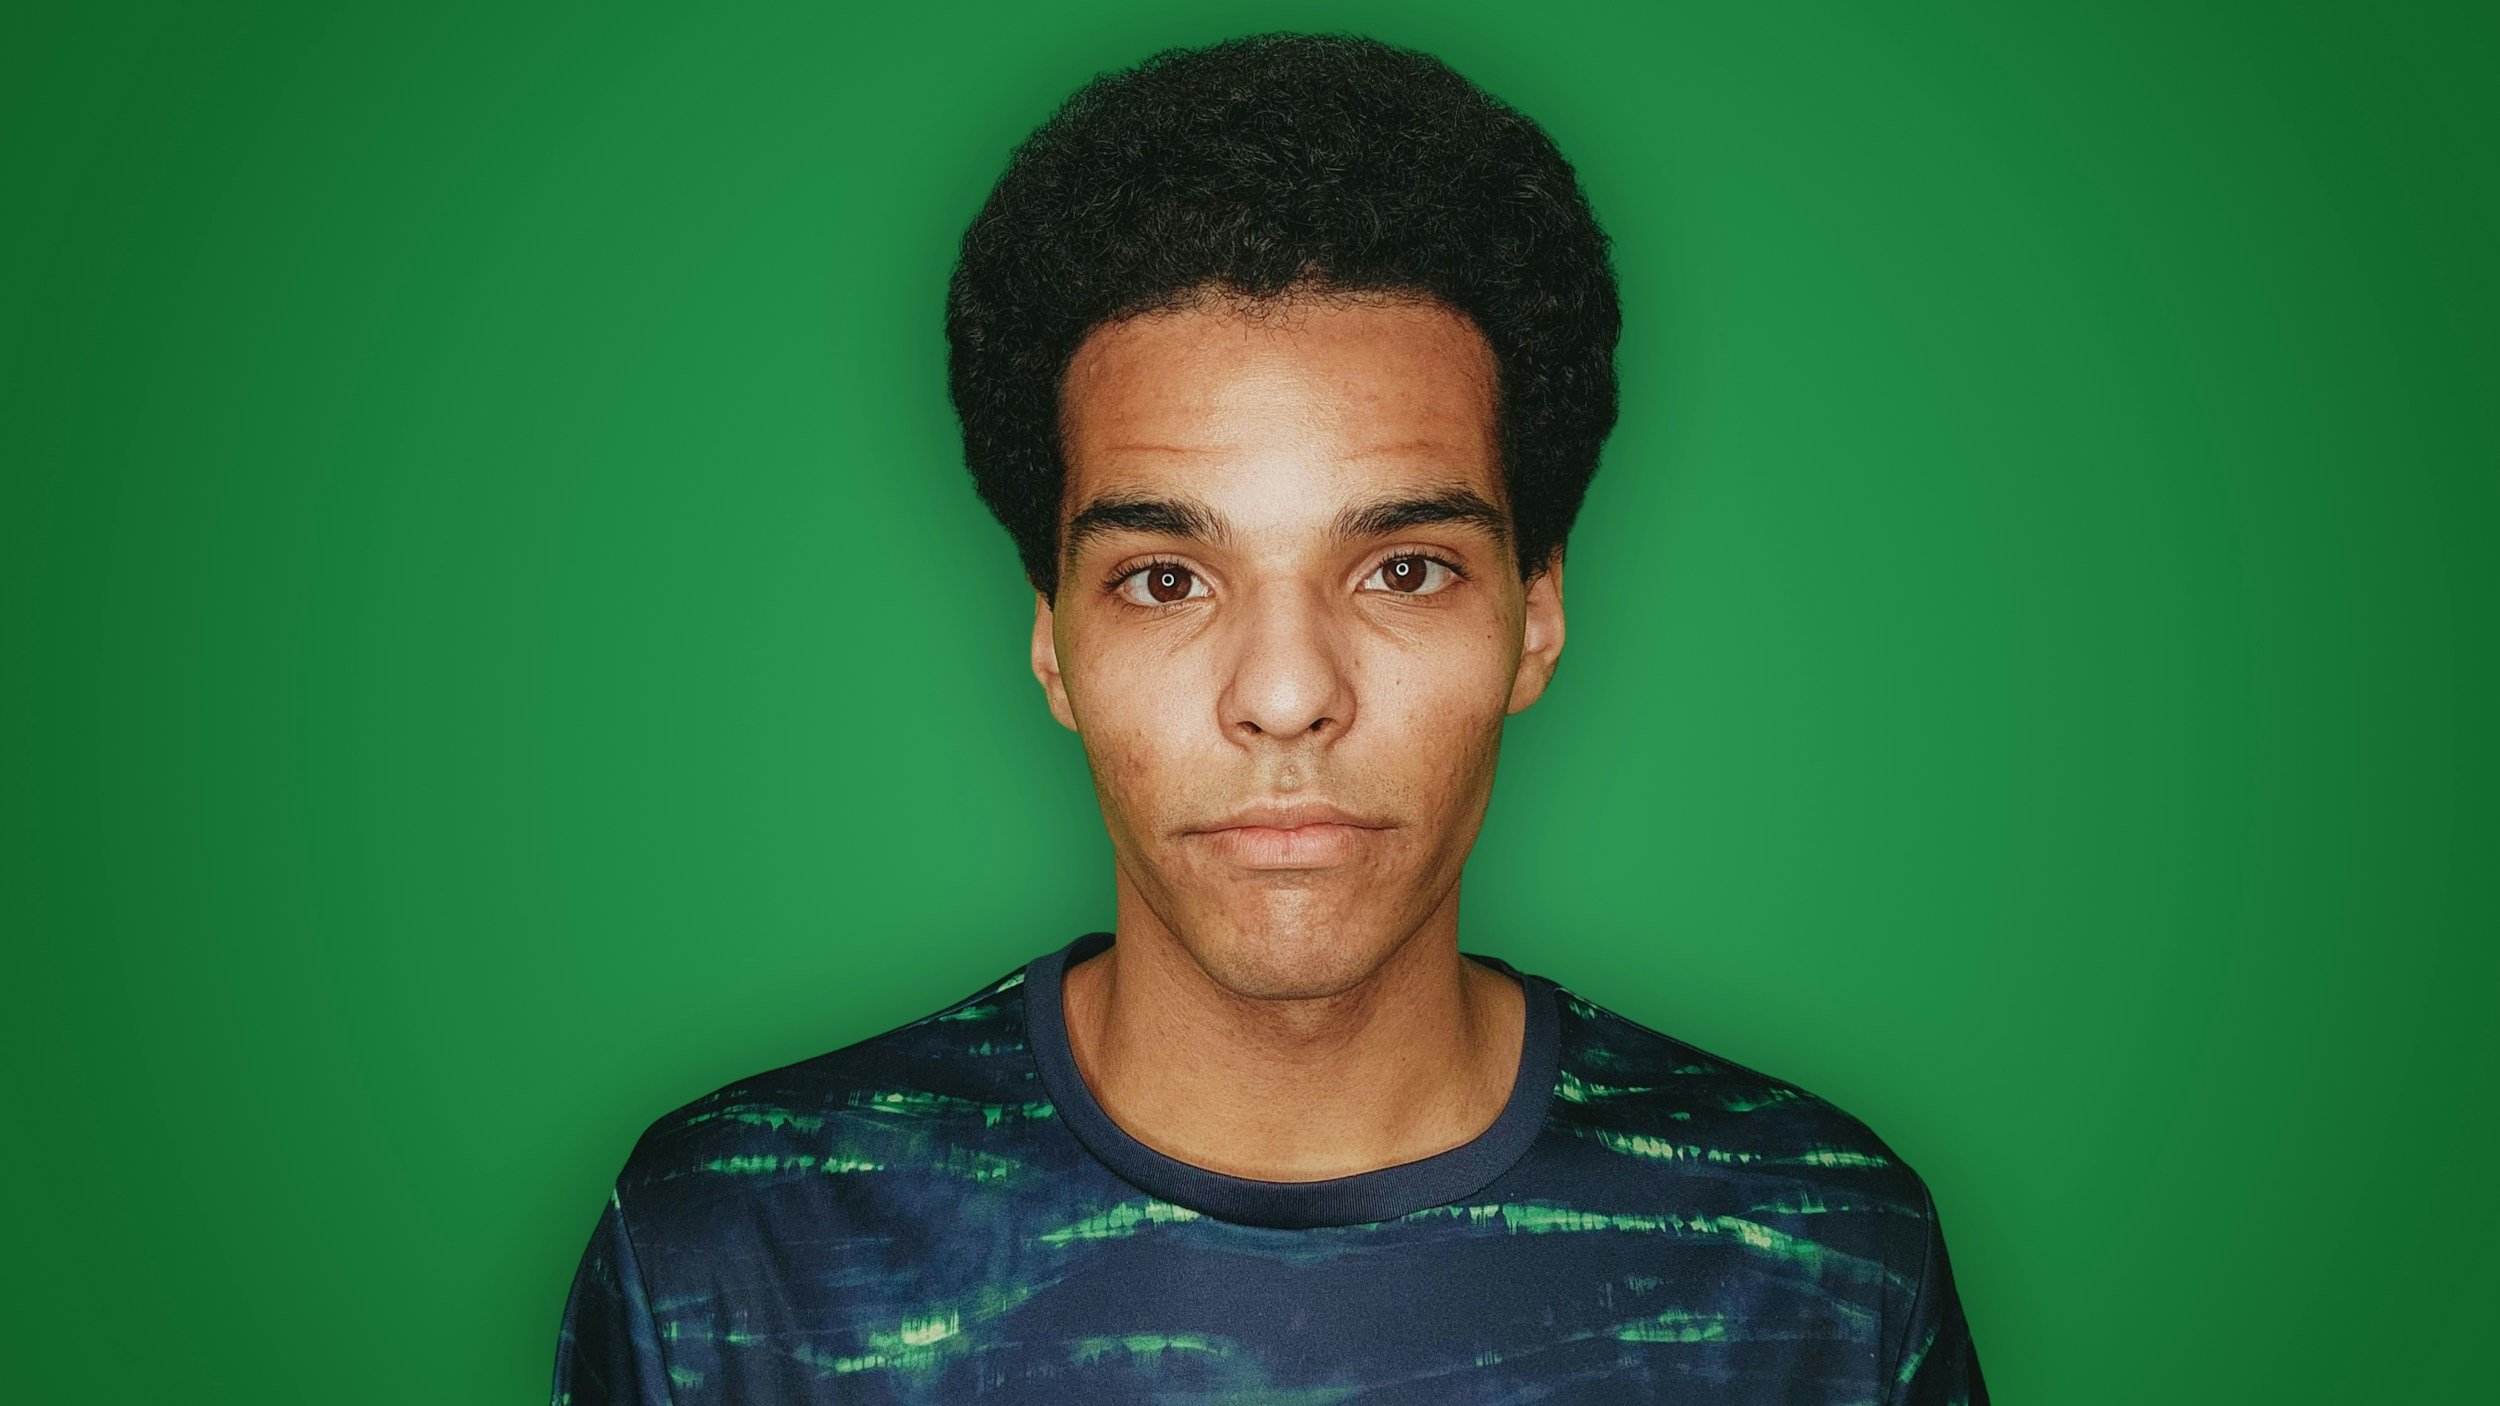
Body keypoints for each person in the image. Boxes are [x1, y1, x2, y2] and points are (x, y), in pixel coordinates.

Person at [553, 31, 1987, 1405]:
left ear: (1533, 616)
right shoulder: (728, 1266)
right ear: (1053, 639)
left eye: (1403, 569)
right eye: (1167, 578)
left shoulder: (1821, 1270)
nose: (1288, 691)